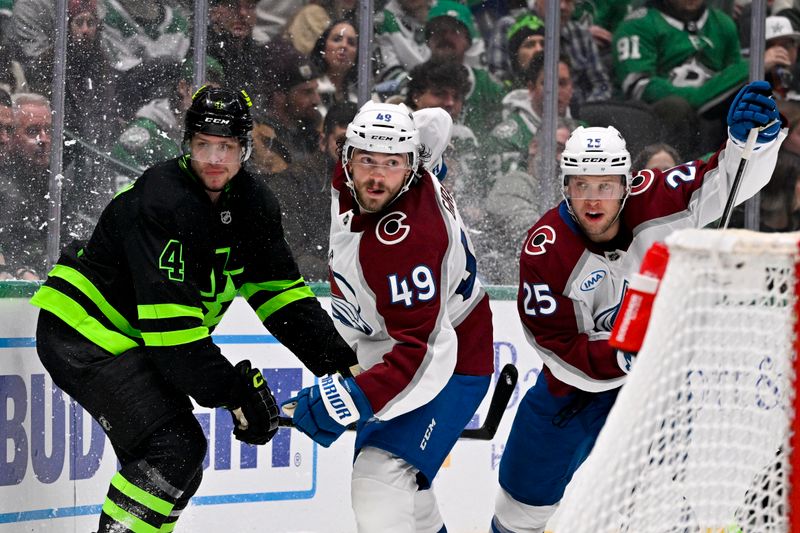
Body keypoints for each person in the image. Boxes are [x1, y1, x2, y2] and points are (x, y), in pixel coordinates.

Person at [30, 86, 358, 533]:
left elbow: (285, 300)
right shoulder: (164, 199)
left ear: (245, 148)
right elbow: (174, 340)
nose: (214, 159)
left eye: (226, 147)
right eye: (203, 144)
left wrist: (348, 368)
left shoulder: (254, 203)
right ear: (187, 143)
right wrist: (237, 395)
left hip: (130, 338)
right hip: (85, 332)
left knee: (172, 465)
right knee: (174, 448)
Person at [490, 80, 785, 533]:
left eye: (605, 186)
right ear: (565, 187)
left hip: (649, 394)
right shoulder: (545, 250)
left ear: (627, 184)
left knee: (651, 508)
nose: (593, 199)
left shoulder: (659, 198)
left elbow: (728, 176)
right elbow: (559, 347)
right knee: (518, 512)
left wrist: (755, 142)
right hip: (570, 395)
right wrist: (623, 354)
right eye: (582, 185)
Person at [282, 101, 495, 532]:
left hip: (450, 357)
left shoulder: (406, 243)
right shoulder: (393, 166)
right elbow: (436, 122)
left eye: (392, 164)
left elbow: (423, 354)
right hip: (393, 340)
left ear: (412, 168)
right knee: (406, 495)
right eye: (368, 161)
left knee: (380, 481)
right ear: (347, 156)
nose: (377, 177)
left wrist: (349, 399)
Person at [310, 19, 360, 119]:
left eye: (351, 43)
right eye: (337, 39)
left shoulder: (360, 95)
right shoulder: (309, 88)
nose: (344, 46)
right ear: (323, 47)